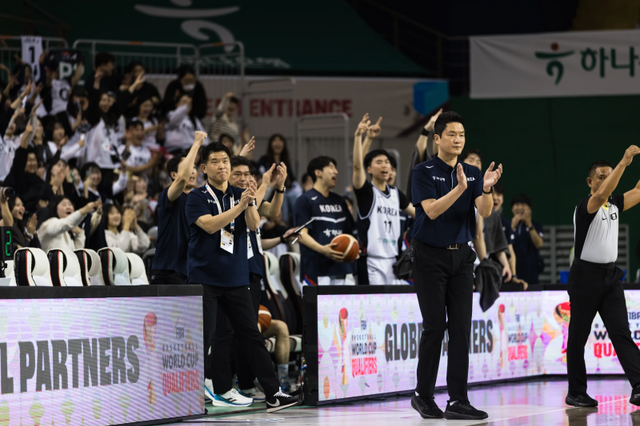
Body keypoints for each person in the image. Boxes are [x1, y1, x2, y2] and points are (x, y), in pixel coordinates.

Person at [185, 142, 299, 412]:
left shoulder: (241, 193)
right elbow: (210, 226)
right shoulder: (197, 197)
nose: (221, 166)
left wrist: (249, 201)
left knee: (251, 336)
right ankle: (192, 396)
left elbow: (253, 224)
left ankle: (273, 394)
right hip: (205, 278)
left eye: (225, 161)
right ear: (204, 168)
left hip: (236, 278)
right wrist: (240, 206)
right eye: (215, 161)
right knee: (206, 337)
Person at [410, 111, 502, 420]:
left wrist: (485, 189)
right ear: (437, 138)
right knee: (435, 326)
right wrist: (461, 189)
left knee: (461, 328)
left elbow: (484, 212)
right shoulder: (423, 171)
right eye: (452, 134)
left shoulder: (473, 173)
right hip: (429, 257)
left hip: (462, 257)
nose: (458, 139)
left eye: (462, 134)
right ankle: (423, 396)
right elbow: (432, 211)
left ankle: (458, 400)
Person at [565, 149, 640, 408]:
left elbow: (638, 192)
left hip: (610, 277)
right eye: (601, 177)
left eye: (609, 176)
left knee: (621, 333)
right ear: (590, 182)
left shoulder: (614, 204)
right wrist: (624, 163)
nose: (606, 181)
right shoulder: (587, 205)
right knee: (578, 336)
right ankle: (576, 392)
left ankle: (639, 386)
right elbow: (601, 195)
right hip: (585, 278)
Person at [352, 114, 414, 284]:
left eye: (387, 162)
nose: (385, 165)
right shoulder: (367, 192)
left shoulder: (395, 193)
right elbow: (357, 165)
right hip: (371, 262)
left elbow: (419, 214)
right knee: (374, 302)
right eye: (379, 162)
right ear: (369, 169)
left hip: (394, 261)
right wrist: (360, 137)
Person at [150, 130, 204, 284]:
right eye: (188, 167)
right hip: (167, 270)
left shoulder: (198, 199)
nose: (192, 171)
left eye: (194, 167)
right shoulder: (168, 195)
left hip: (190, 270)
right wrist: (196, 143)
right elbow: (182, 180)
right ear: (173, 175)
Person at [294, 156, 357, 286]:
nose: (336, 172)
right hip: (315, 270)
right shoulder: (304, 200)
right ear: (318, 173)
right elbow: (301, 234)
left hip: (341, 269)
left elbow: (349, 232)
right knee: (316, 301)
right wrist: (323, 249)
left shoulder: (340, 201)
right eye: (331, 167)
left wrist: (354, 248)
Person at [257, 134, 302, 225]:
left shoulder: (286, 161)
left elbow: (292, 181)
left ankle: (298, 223)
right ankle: (283, 222)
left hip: (284, 187)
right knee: (283, 195)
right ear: (270, 144)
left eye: (280, 140)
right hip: (269, 189)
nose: (278, 143)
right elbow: (259, 178)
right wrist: (273, 182)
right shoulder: (263, 160)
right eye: (275, 140)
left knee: (292, 195)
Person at [492, 184, 528, 289]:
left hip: (502, 275)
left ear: (503, 199)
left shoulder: (505, 223)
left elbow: (509, 249)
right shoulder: (478, 219)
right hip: (480, 275)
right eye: (492, 194)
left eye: (499, 194)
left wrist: (513, 276)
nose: (495, 197)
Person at [511, 194, 544, 285]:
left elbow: (539, 244)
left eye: (523, 204)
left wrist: (529, 225)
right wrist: (512, 227)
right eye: (517, 204)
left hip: (531, 272)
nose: (519, 207)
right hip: (513, 272)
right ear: (512, 208)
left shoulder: (536, 225)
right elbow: (503, 244)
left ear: (529, 209)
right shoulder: (508, 225)